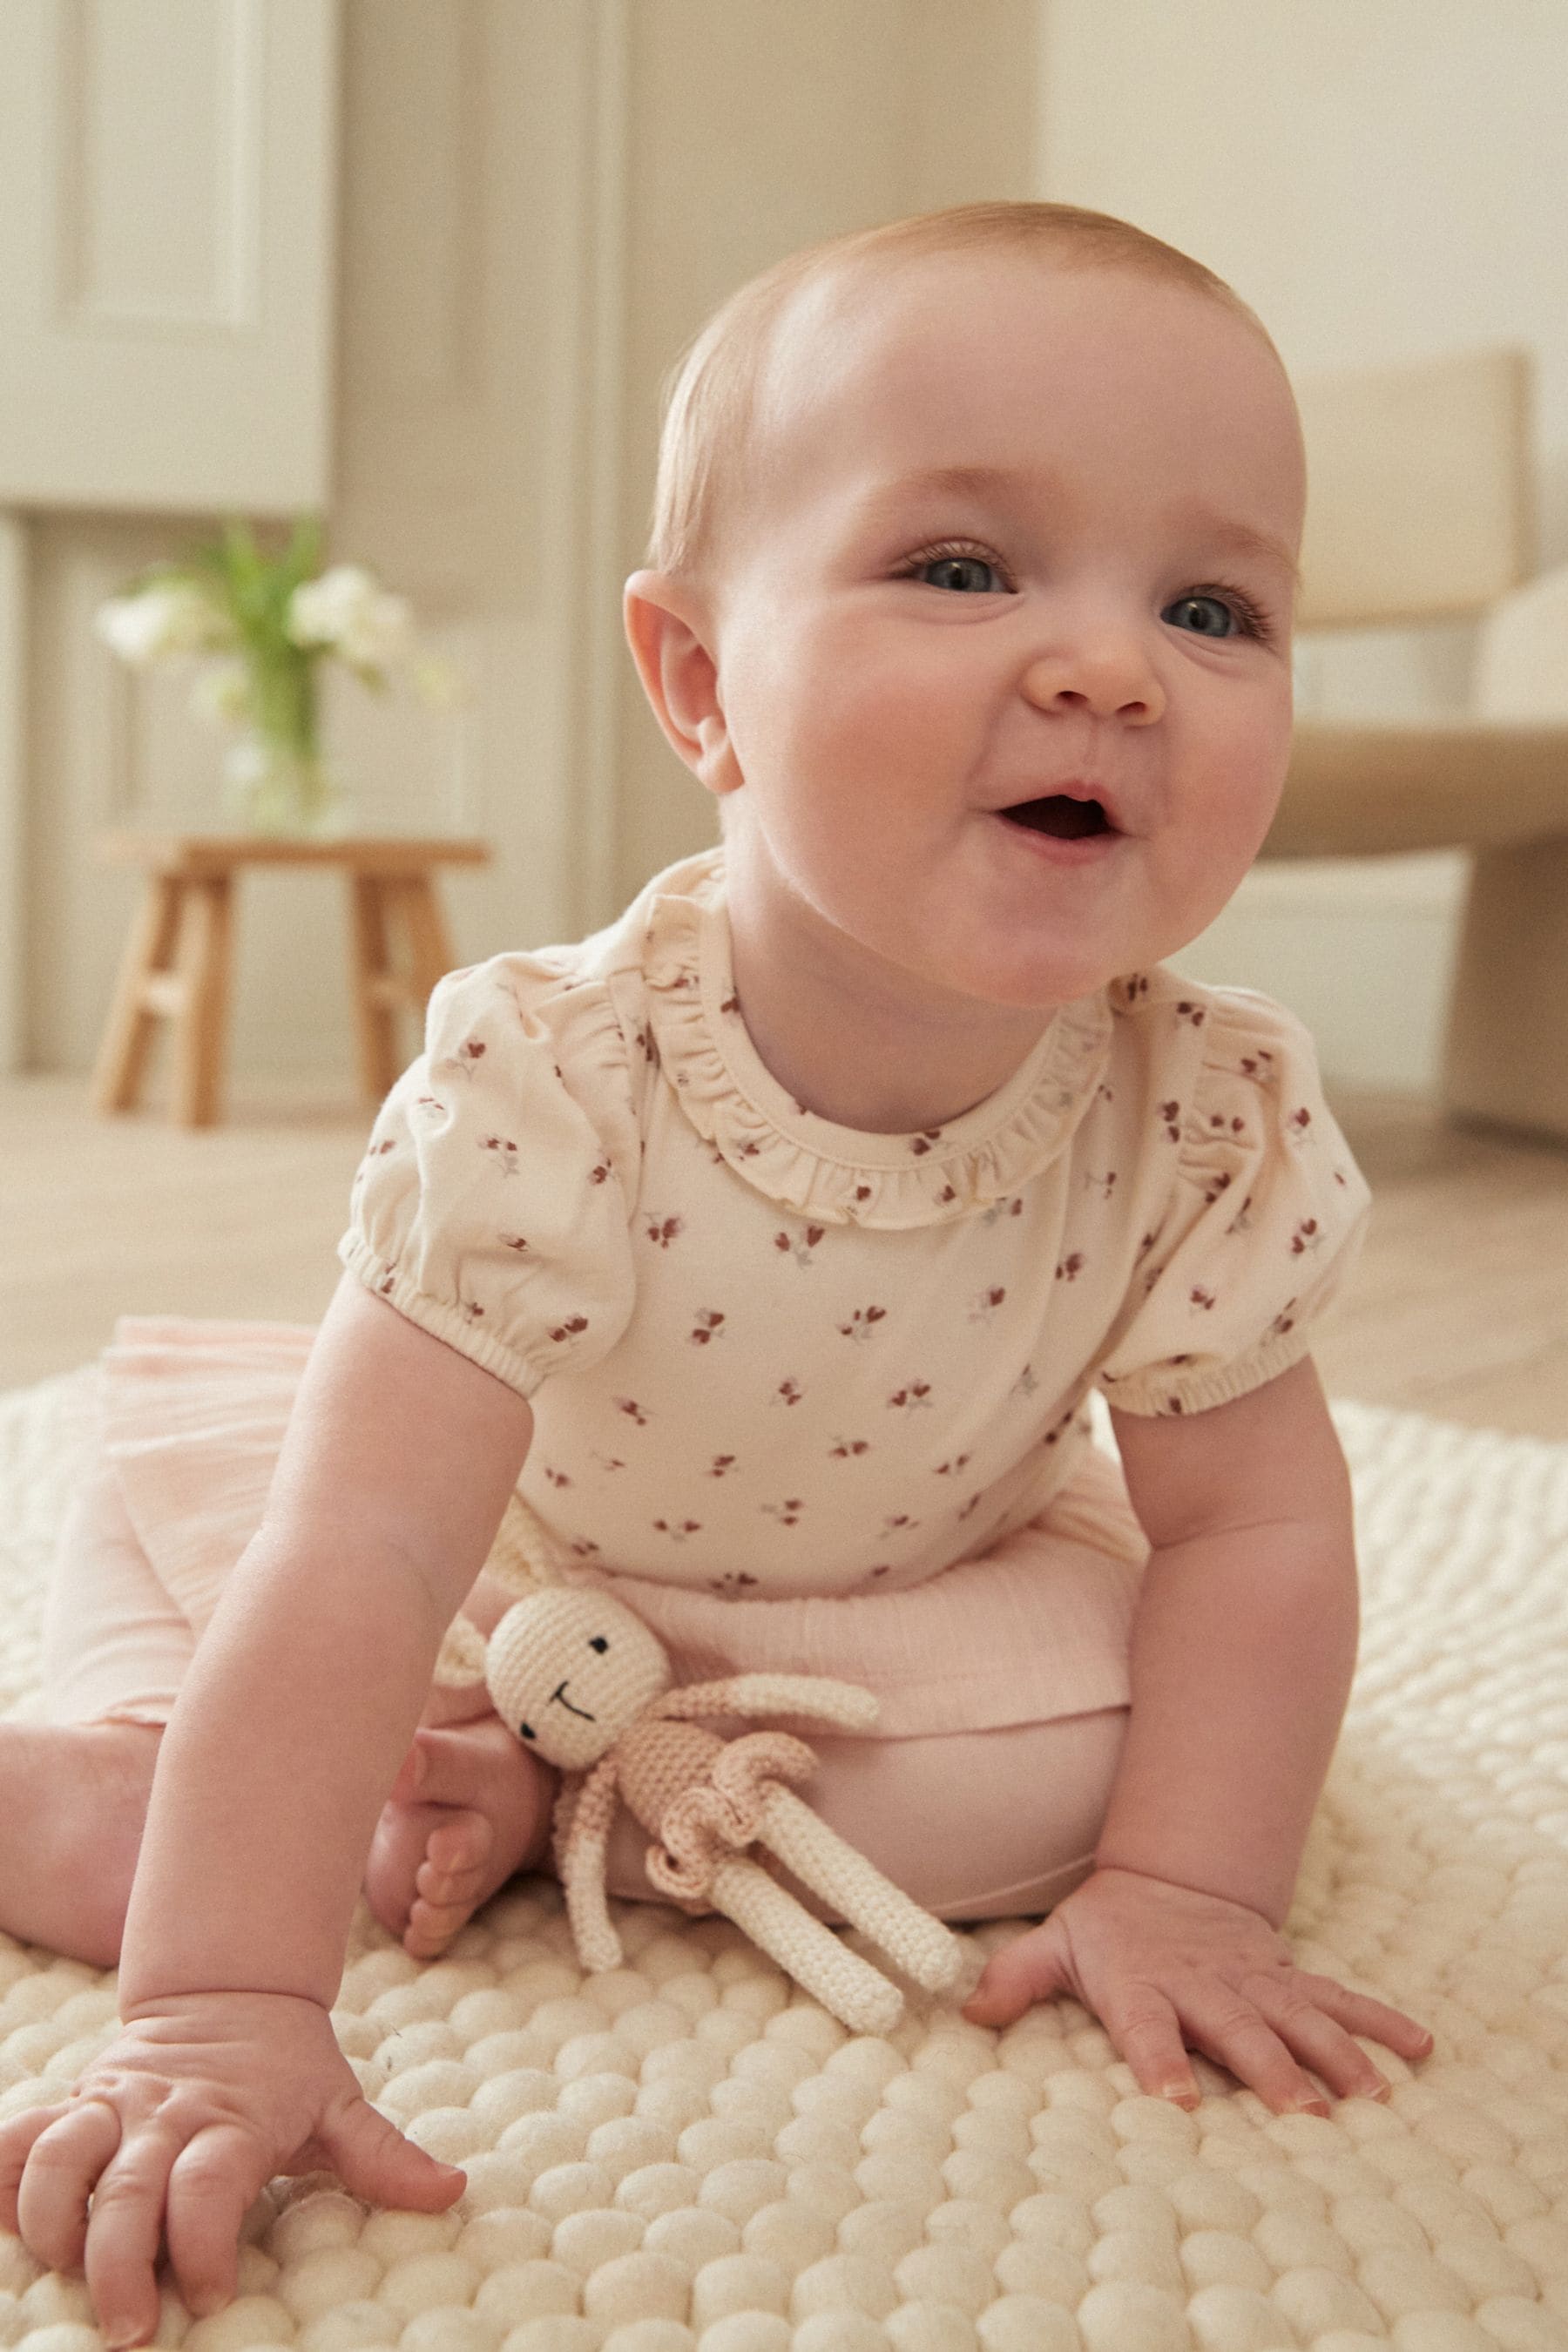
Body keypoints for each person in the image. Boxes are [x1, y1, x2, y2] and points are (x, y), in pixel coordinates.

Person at [0, 201, 1433, 2344]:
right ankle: (185, 1766)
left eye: (1213, 607)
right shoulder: (552, 1079)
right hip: (503, 1552)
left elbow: (1250, 1531)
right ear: (700, 684)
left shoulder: (1202, 1110)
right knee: (193, 1538)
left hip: (887, 1601)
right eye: (962, 569)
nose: (1112, 667)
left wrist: (1188, 1889)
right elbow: (368, 1545)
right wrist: (214, 2005)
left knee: (1131, 1742)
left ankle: (557, 1772)